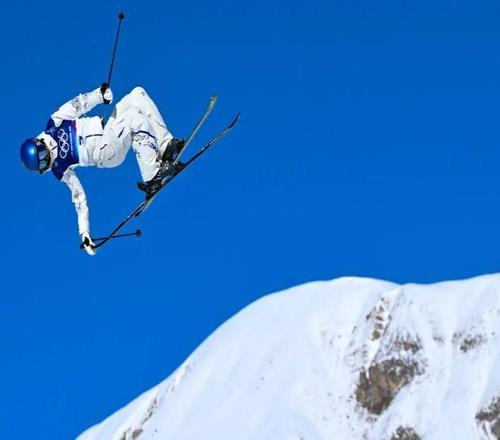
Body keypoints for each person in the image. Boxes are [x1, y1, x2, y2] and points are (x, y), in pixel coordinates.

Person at [20, 84, 185, 256]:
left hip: (108, 128)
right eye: (42, 164)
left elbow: (79, 104)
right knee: (134, 118)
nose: (46, 159)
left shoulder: (55, 122)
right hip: (103, 153)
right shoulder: (59, 168)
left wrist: (100, 95)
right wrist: (84, 233)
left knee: (137, 94)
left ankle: (165, 146)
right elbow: (79, 198)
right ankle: (152, 176)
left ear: (38, 143)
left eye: (42, 155)